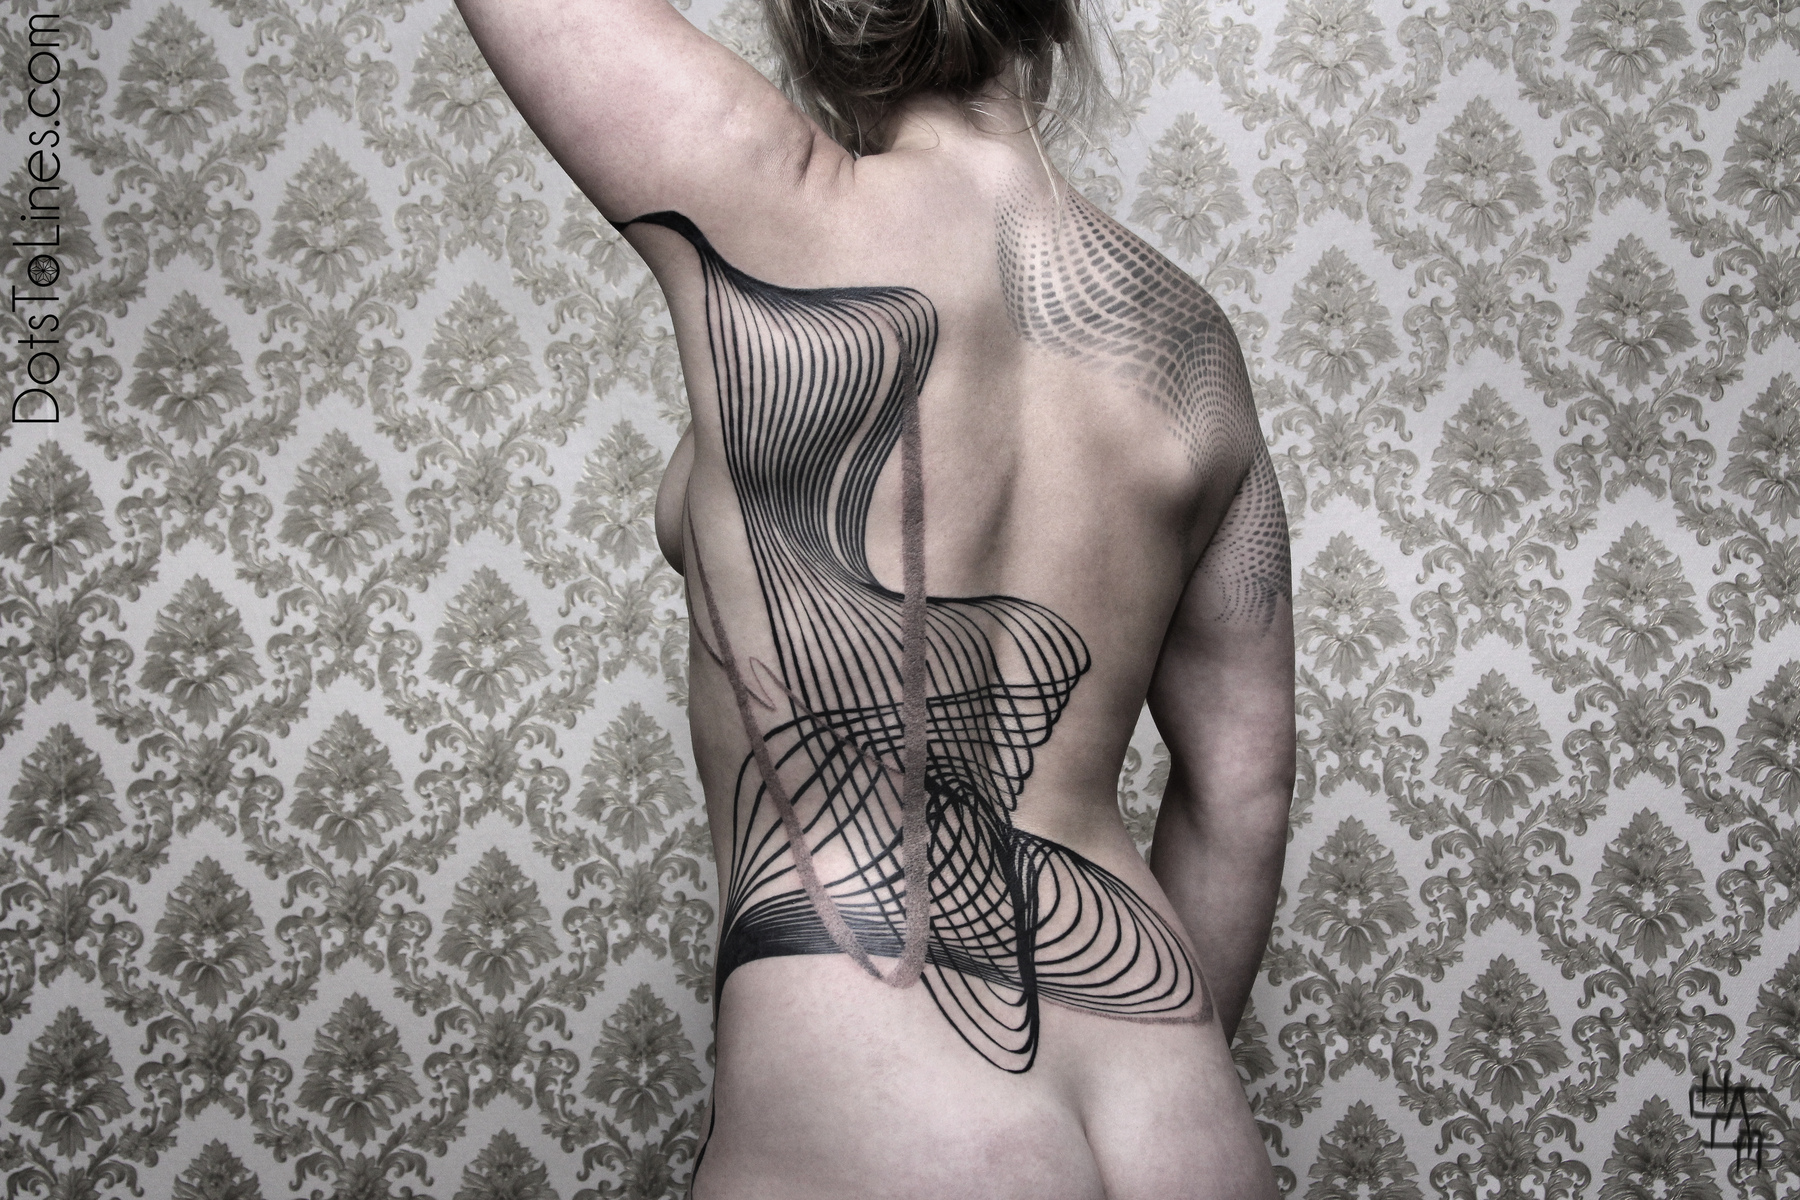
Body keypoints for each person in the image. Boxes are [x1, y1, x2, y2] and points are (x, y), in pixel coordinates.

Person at [455, 0, 1295, 1192]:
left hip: (884, 1093)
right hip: (1176, 1113)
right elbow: (1243, 793)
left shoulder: (774, 200)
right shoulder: (1193, 350)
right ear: (1054, 19)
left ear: (816, 27)